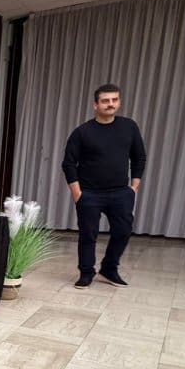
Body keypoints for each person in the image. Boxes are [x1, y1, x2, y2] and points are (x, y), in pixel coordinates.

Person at [61, 84, 147, 288]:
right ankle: (86, 272)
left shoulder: (129, 127)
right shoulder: (82, 132)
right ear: (95, 105)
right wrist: (77, 193)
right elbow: (68, 163)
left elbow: (139, 157)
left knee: (123, 231)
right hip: (89, 194)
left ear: (119, 102)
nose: (110, 104)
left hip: (120, 193)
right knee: (88, 235)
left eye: (114, 100)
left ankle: (109, 268)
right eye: (105, 101)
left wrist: (134, 187)